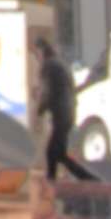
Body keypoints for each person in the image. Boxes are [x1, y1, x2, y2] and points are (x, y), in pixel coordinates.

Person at [36, 39, 96, 182]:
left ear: (41, 52)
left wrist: (40, 109)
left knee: (52, 151)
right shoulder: (61, 64)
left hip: (61, 113)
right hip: (69, 112)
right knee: (58, 153)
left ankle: (54, 182)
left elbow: (47, 91)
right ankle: (86, 178)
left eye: (37, 52)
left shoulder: (48, 66)